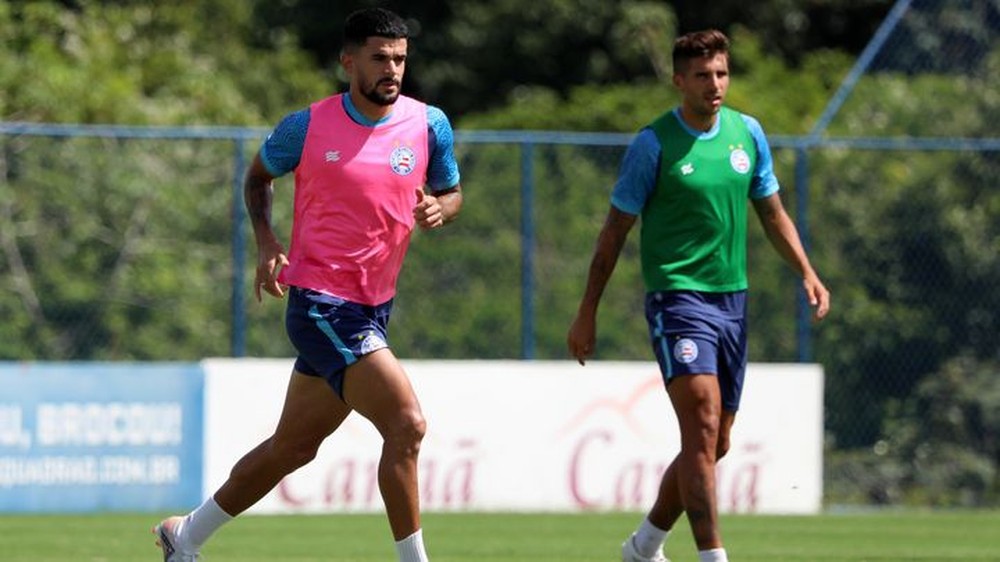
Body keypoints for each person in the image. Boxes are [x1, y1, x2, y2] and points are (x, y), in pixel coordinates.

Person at [153, 8, 462, 562]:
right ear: (349, 62)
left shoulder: (429, 124)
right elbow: (258, 177)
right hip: (322, 303)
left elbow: (451, 191)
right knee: (407, 424)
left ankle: (186, 536)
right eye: (379, 58)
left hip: (374, 308)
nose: (392, 69)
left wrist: (443, 207)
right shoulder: (308, 126)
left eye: (399, 59)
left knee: (292, 447)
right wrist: (267, 241)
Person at [567, 29, 829, 562]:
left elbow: (772, 212)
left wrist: (806, 269)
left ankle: (644, 546)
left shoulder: (746, 133)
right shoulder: (653, 144)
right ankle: (713, 556)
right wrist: (587, 311)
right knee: (703, 421)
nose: (715, 84)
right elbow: (613, 233)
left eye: (722, 73)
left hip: (733, 302)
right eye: (703, 75)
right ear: (679, 81)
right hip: (677, 299)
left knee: (713, 444)